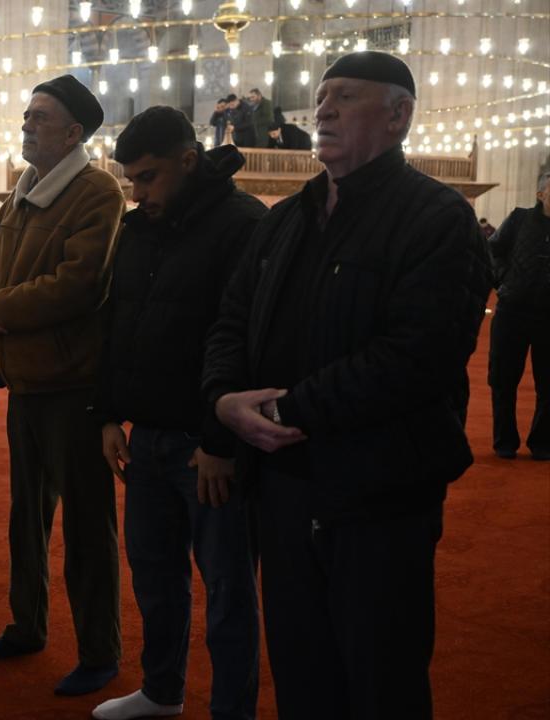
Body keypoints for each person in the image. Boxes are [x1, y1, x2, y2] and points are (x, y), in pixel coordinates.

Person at [202, 51, 491, 717]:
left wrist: (284, 411)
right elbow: (231, 321)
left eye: (346, 96)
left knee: (380, 680)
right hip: (284, 489)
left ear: (398, 115)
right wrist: (221, 400)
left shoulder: (437, 218)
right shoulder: (286, 219)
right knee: (302, 675)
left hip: (378, 495)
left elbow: (416, 359)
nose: (323, 110)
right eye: (321, 96)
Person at [91, 107, 264, 720]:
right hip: (148, 438)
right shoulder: (140, 227)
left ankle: (232, 711)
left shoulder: (245, 224)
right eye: (130, 181)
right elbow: (117, 323)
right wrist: (109, 414)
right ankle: (162, 692)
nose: (137, 194)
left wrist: (220, 442)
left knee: (227, 589)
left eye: (147, 177)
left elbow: (248, 342)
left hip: (207, 449)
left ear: (188, 161)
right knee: (154, 577)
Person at [0, 74, 123, 696]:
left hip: (72, 385)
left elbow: (79, 284)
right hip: (25, 380)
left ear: (73, 132)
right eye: (27, 115)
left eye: (39, 117)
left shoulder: (96, 192)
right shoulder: (24, 190)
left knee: (86, 528)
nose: (26, 125)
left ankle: (99, 651)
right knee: (25, 520)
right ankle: (27, 625)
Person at [487, 170, 550, 460]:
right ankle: (505, 441)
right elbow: (492, 251)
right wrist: (504, 280)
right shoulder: (519, 219)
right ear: (541, 194)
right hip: (512, 311)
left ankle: (542, 442)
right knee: (503, 379)